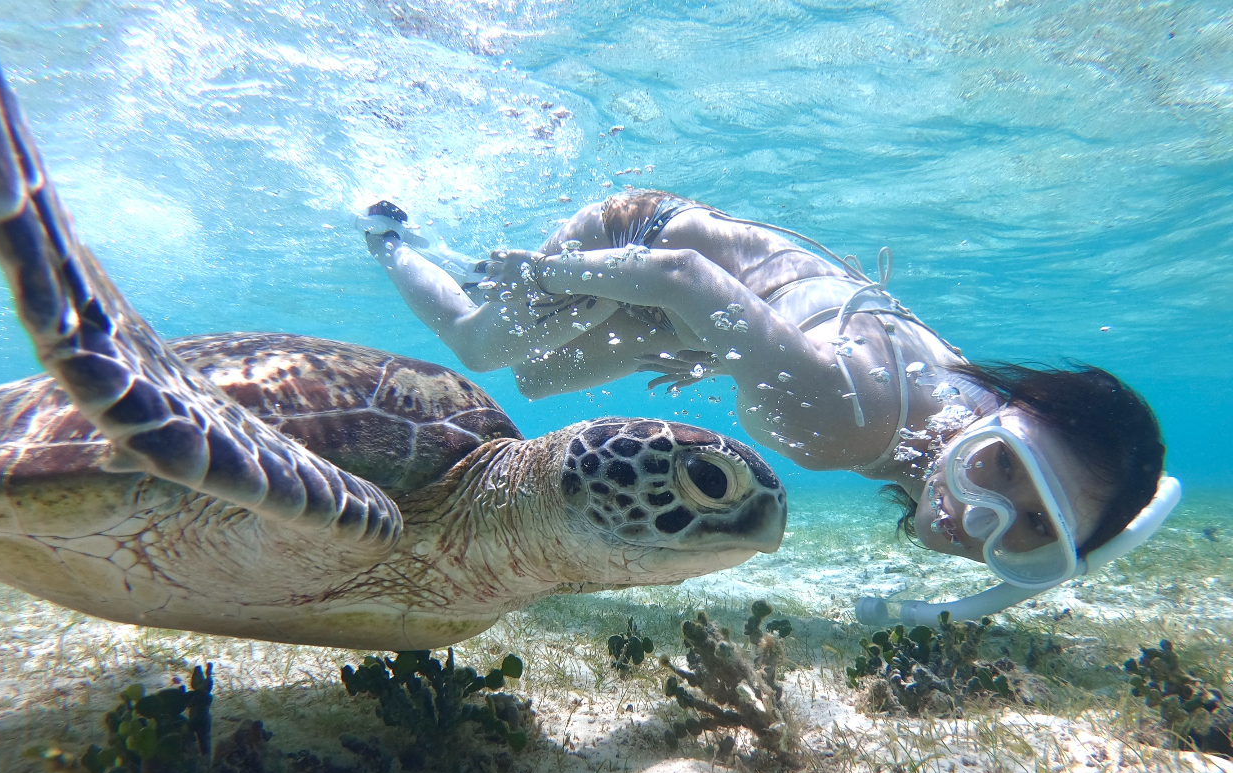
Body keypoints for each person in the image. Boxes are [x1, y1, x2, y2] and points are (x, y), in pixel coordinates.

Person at [357, 191, 1176, 621]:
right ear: (1004, 418)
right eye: (1000, 467)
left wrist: (715, 347)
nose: (982, 515)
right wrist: (550, 277)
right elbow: (680, 276)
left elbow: (797, 312)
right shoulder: (844, 424)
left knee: (537, 378)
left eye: (1029, 533)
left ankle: (472, 272)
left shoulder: (968, 391)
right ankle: (389, 239)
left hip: (688, 292)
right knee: (488, 347)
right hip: (650, 242)